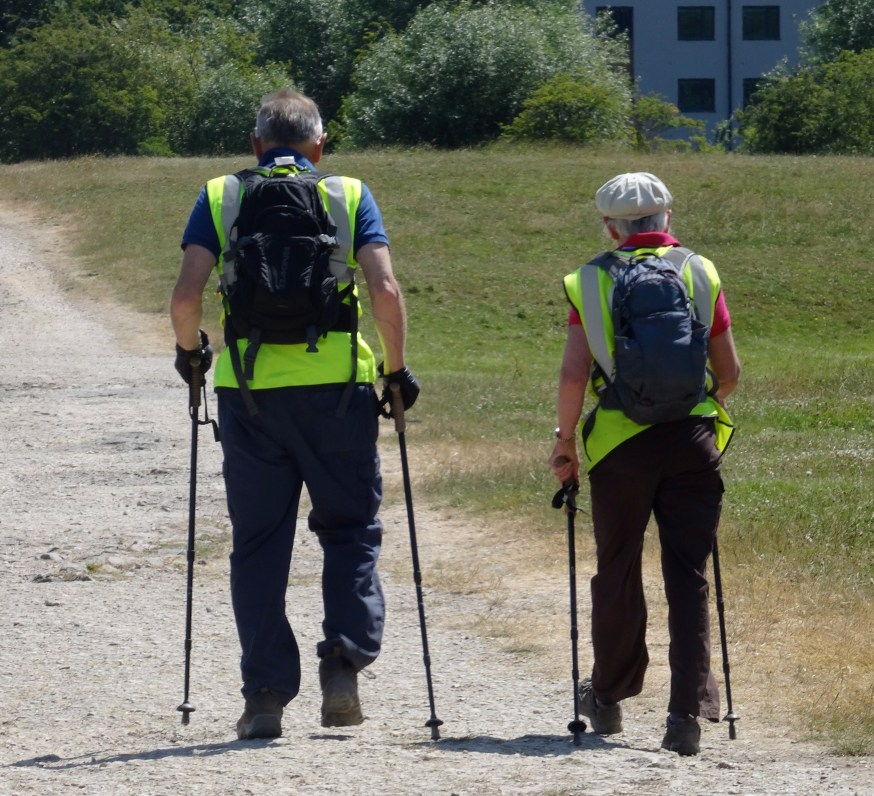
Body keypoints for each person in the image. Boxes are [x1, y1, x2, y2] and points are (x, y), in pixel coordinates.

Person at [170, 89, 419, 740]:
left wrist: (191, 356)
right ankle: (343, 661)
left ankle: (265, 698)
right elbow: (386, 291)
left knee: (258, 546)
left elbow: (185, 296)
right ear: (319, 145)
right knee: (350, 531)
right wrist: (395, 372)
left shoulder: (222, 196)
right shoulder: (349, 195)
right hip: (338, 391)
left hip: (249, 394)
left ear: (256, 145)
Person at [548, 172, 740, 756]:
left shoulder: (588, 279)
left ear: (610, 226)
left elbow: (574, 373)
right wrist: (695, 413)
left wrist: (564, 445)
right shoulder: (700, 271)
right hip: (692, 443)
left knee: (618, 570)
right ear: (668, 217)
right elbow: (729, 372)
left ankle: (606, 698)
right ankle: (686, 715)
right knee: (688, 575)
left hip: (617, 448)